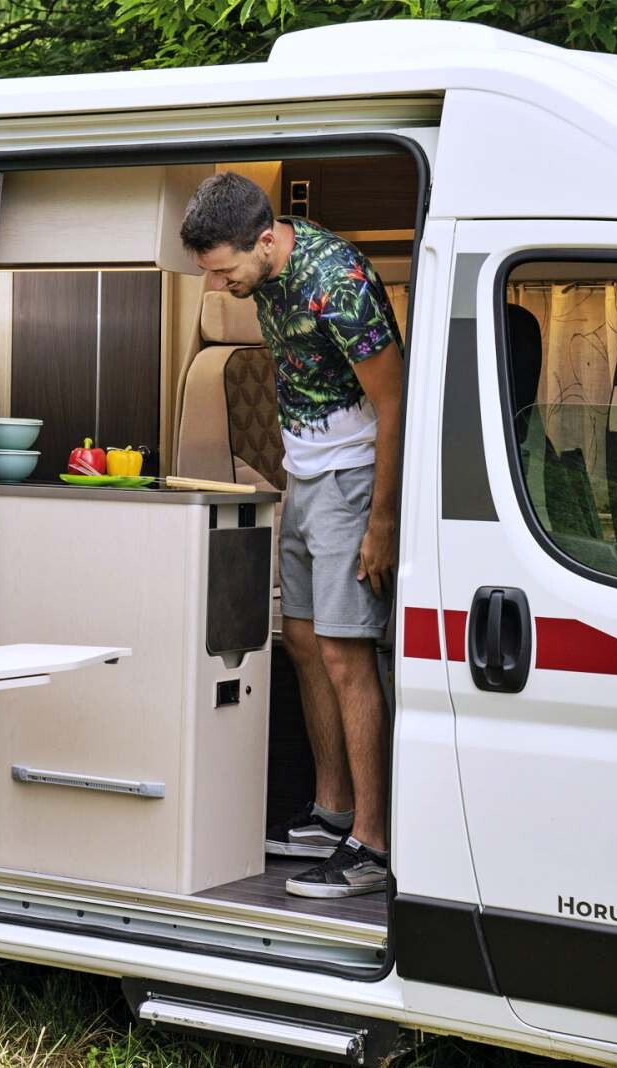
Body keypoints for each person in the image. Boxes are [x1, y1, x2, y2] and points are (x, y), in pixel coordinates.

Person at [180, 173, 403, 899]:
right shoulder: (263, 278)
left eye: (222, 269)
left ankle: (372, 840)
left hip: (353, 480)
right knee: (303, 642)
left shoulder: (335, 281)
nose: (217, 284)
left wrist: (383, 520)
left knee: (345, 653)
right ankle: (332, 810)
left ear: (267, 240)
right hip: (305, 477)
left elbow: (395, 401)